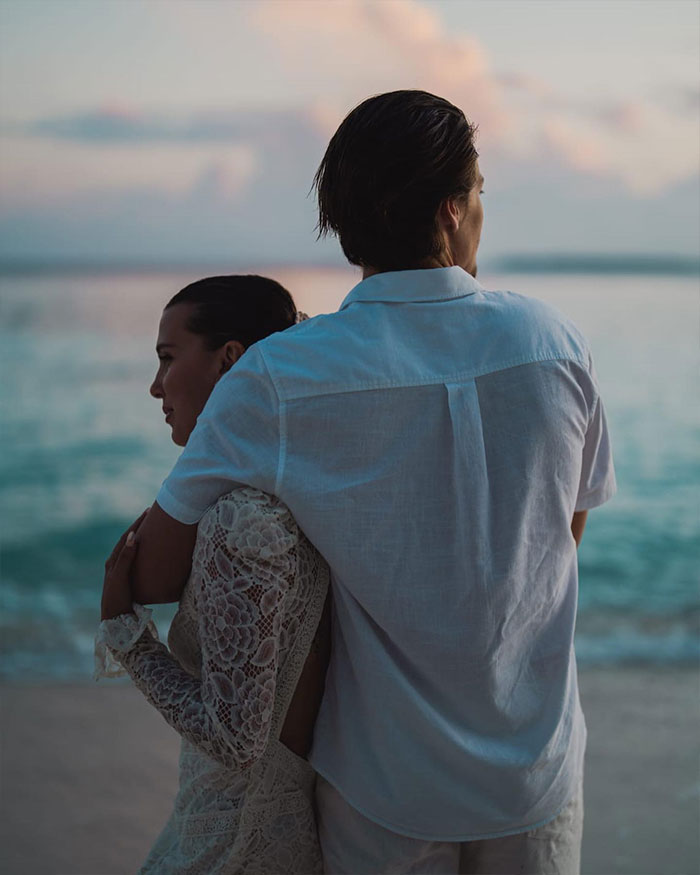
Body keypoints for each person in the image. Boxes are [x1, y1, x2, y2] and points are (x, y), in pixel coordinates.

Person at [125, 90, 616, 874]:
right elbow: (562, 536)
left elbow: (153, 571)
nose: (483, 209)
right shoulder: (555, 344)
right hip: (536, 770)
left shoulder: (280, 377)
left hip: (383, 788)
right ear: (452, 210)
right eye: (481, 190)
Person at [95, 275, 330, 874]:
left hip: (231, 842)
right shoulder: (309, 492)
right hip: (277, 824)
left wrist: (126, 635)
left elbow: (236, 742)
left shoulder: (238, 520)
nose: (155, 387)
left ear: (229, 361)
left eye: (167, 360)